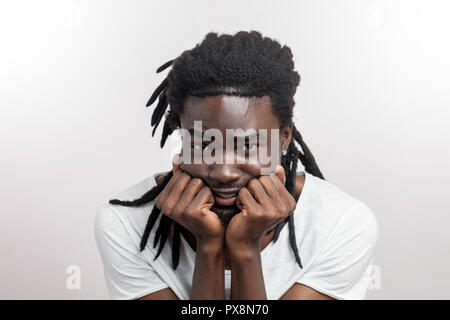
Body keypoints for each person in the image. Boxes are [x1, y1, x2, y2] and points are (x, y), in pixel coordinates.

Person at [94, 31, 379, 300]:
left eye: (247, 146)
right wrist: (209, 247)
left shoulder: (342, 225)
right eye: (205, 145)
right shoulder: (125, 224)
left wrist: (245, 249)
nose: (224, 172)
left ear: (283, 138)